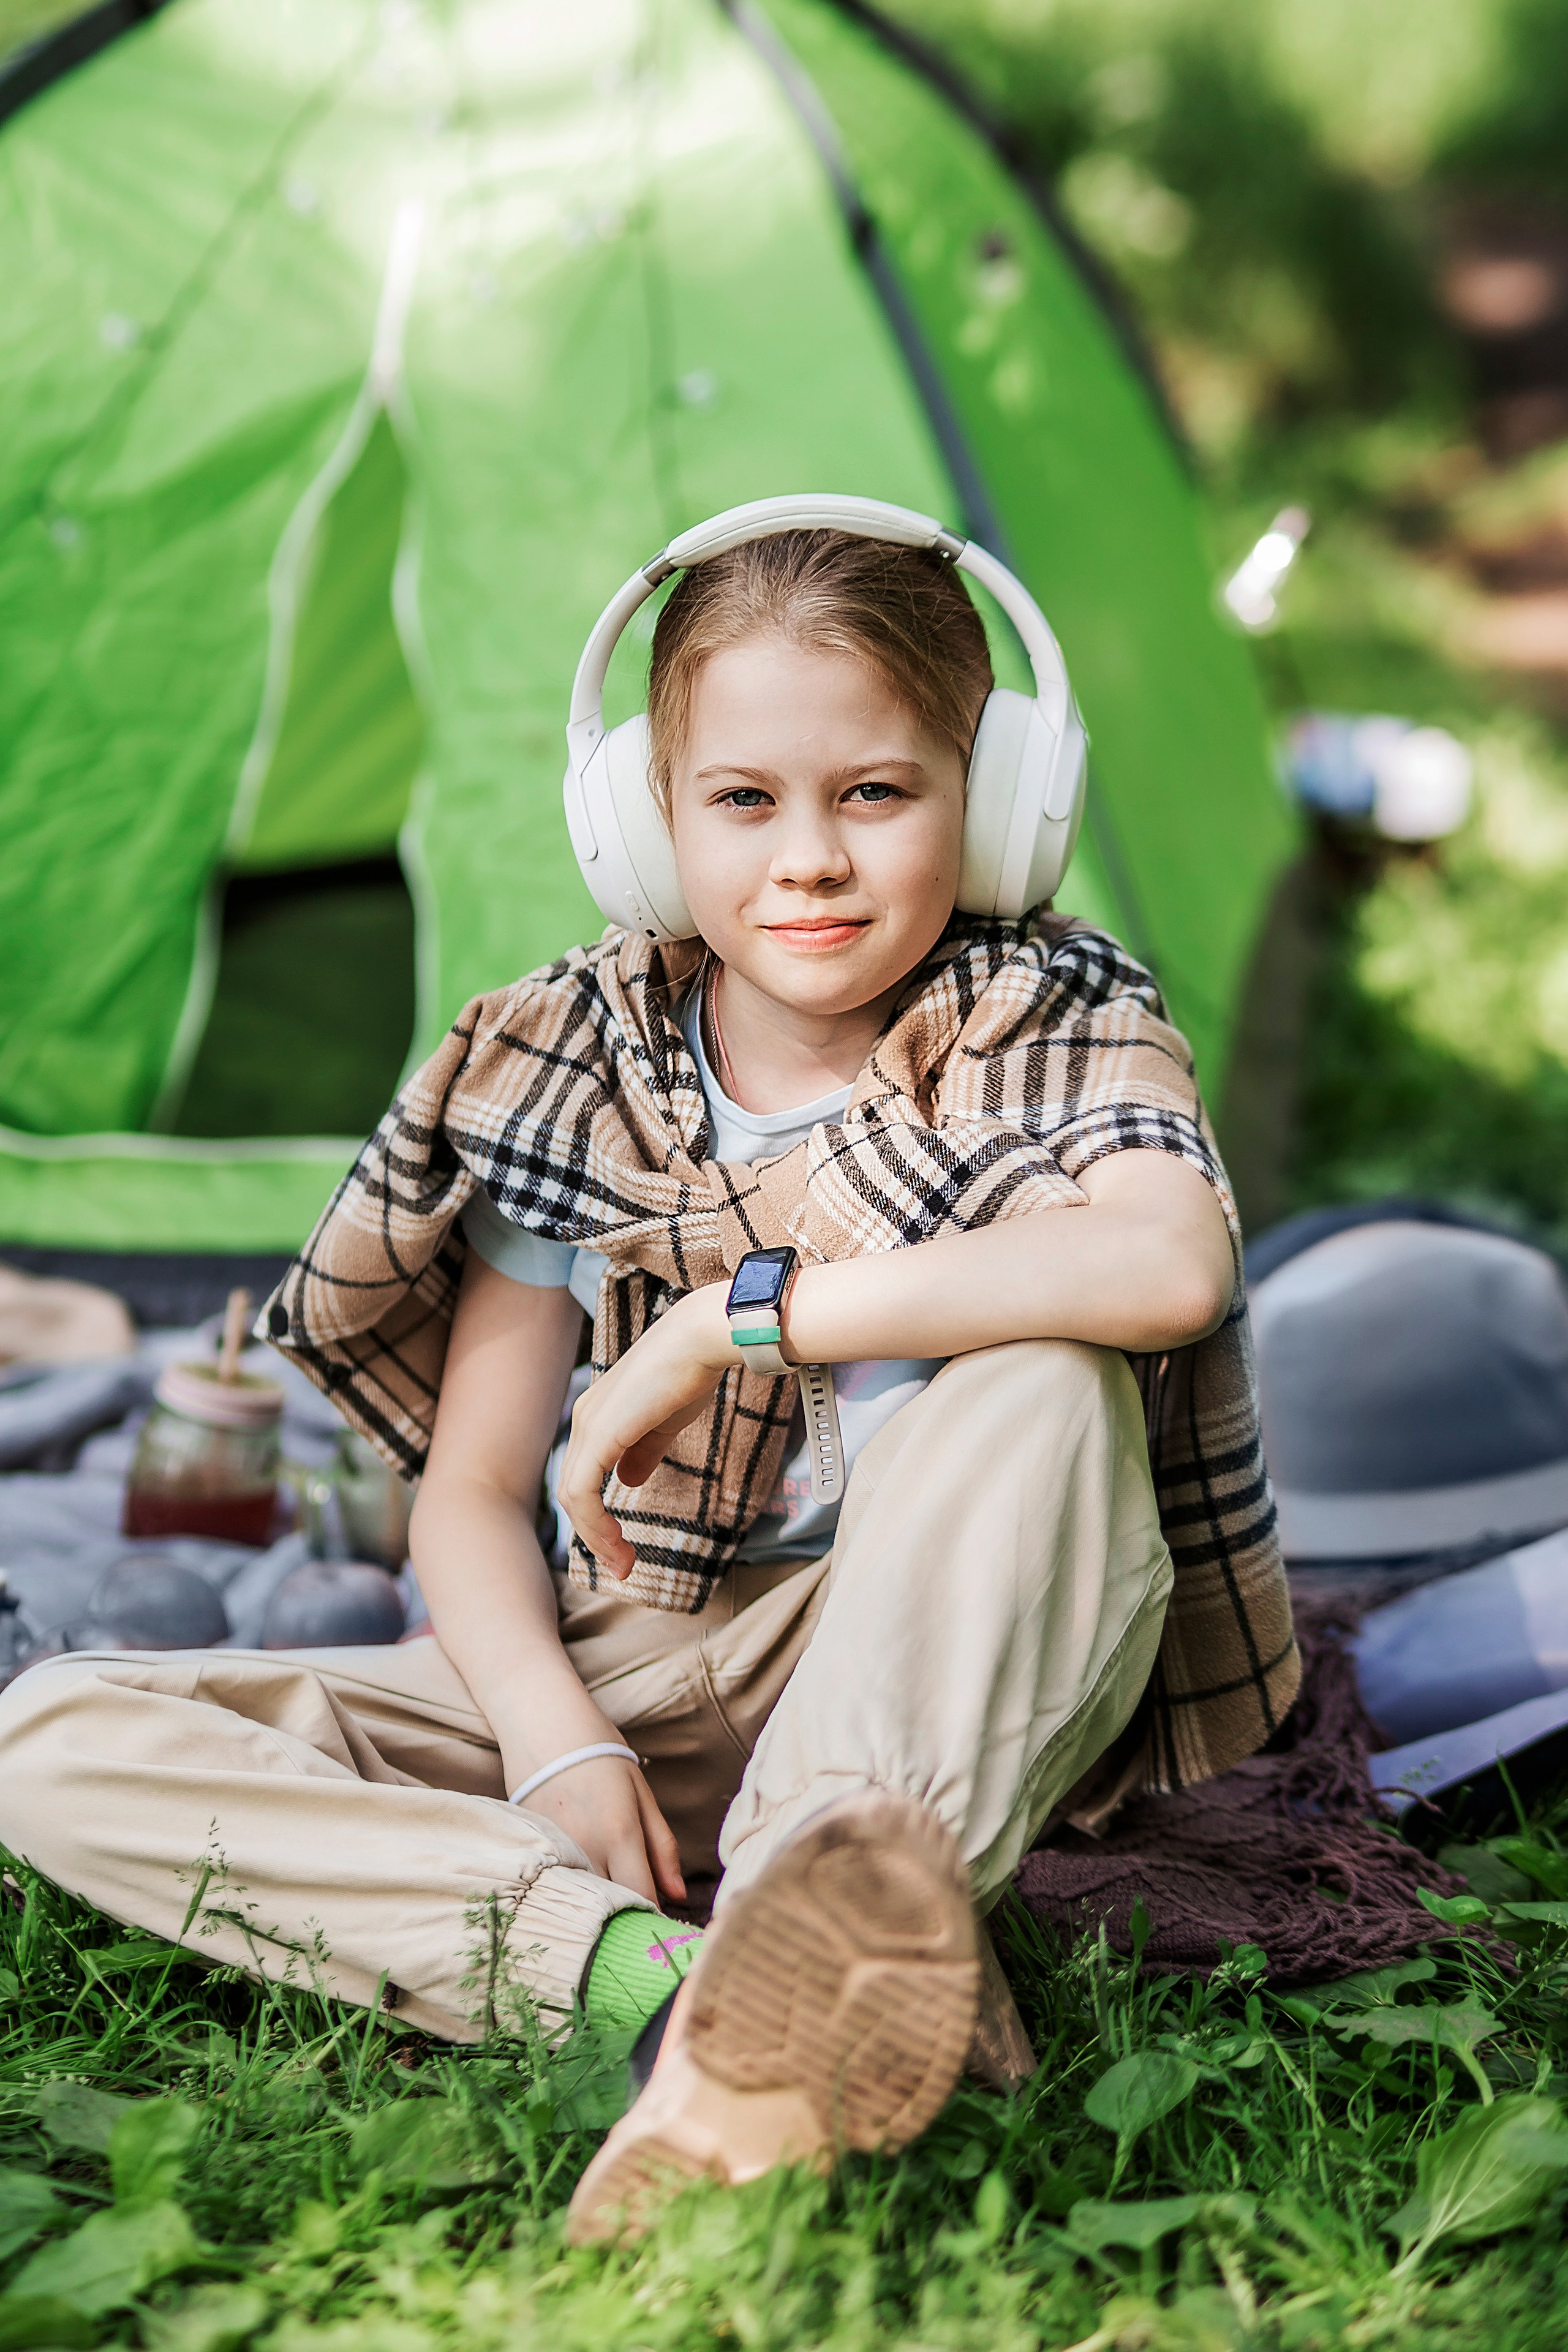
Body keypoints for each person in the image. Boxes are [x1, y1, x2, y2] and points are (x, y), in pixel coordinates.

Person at [0, 514, 1295, 2244]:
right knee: (50, 1737)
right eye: (744, 800)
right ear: (641, 822)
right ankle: (664, 1990)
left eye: (879, 796)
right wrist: (553, 1747)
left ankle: (810, 1910)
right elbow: (468, 1495)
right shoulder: (576, 1060)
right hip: (660, 1650)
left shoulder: (1049, 1013)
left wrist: (727, 1320)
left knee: (1050, 1374)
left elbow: (1166, 1263)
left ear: (992, 807)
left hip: (929, 1658)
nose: (812, 860)